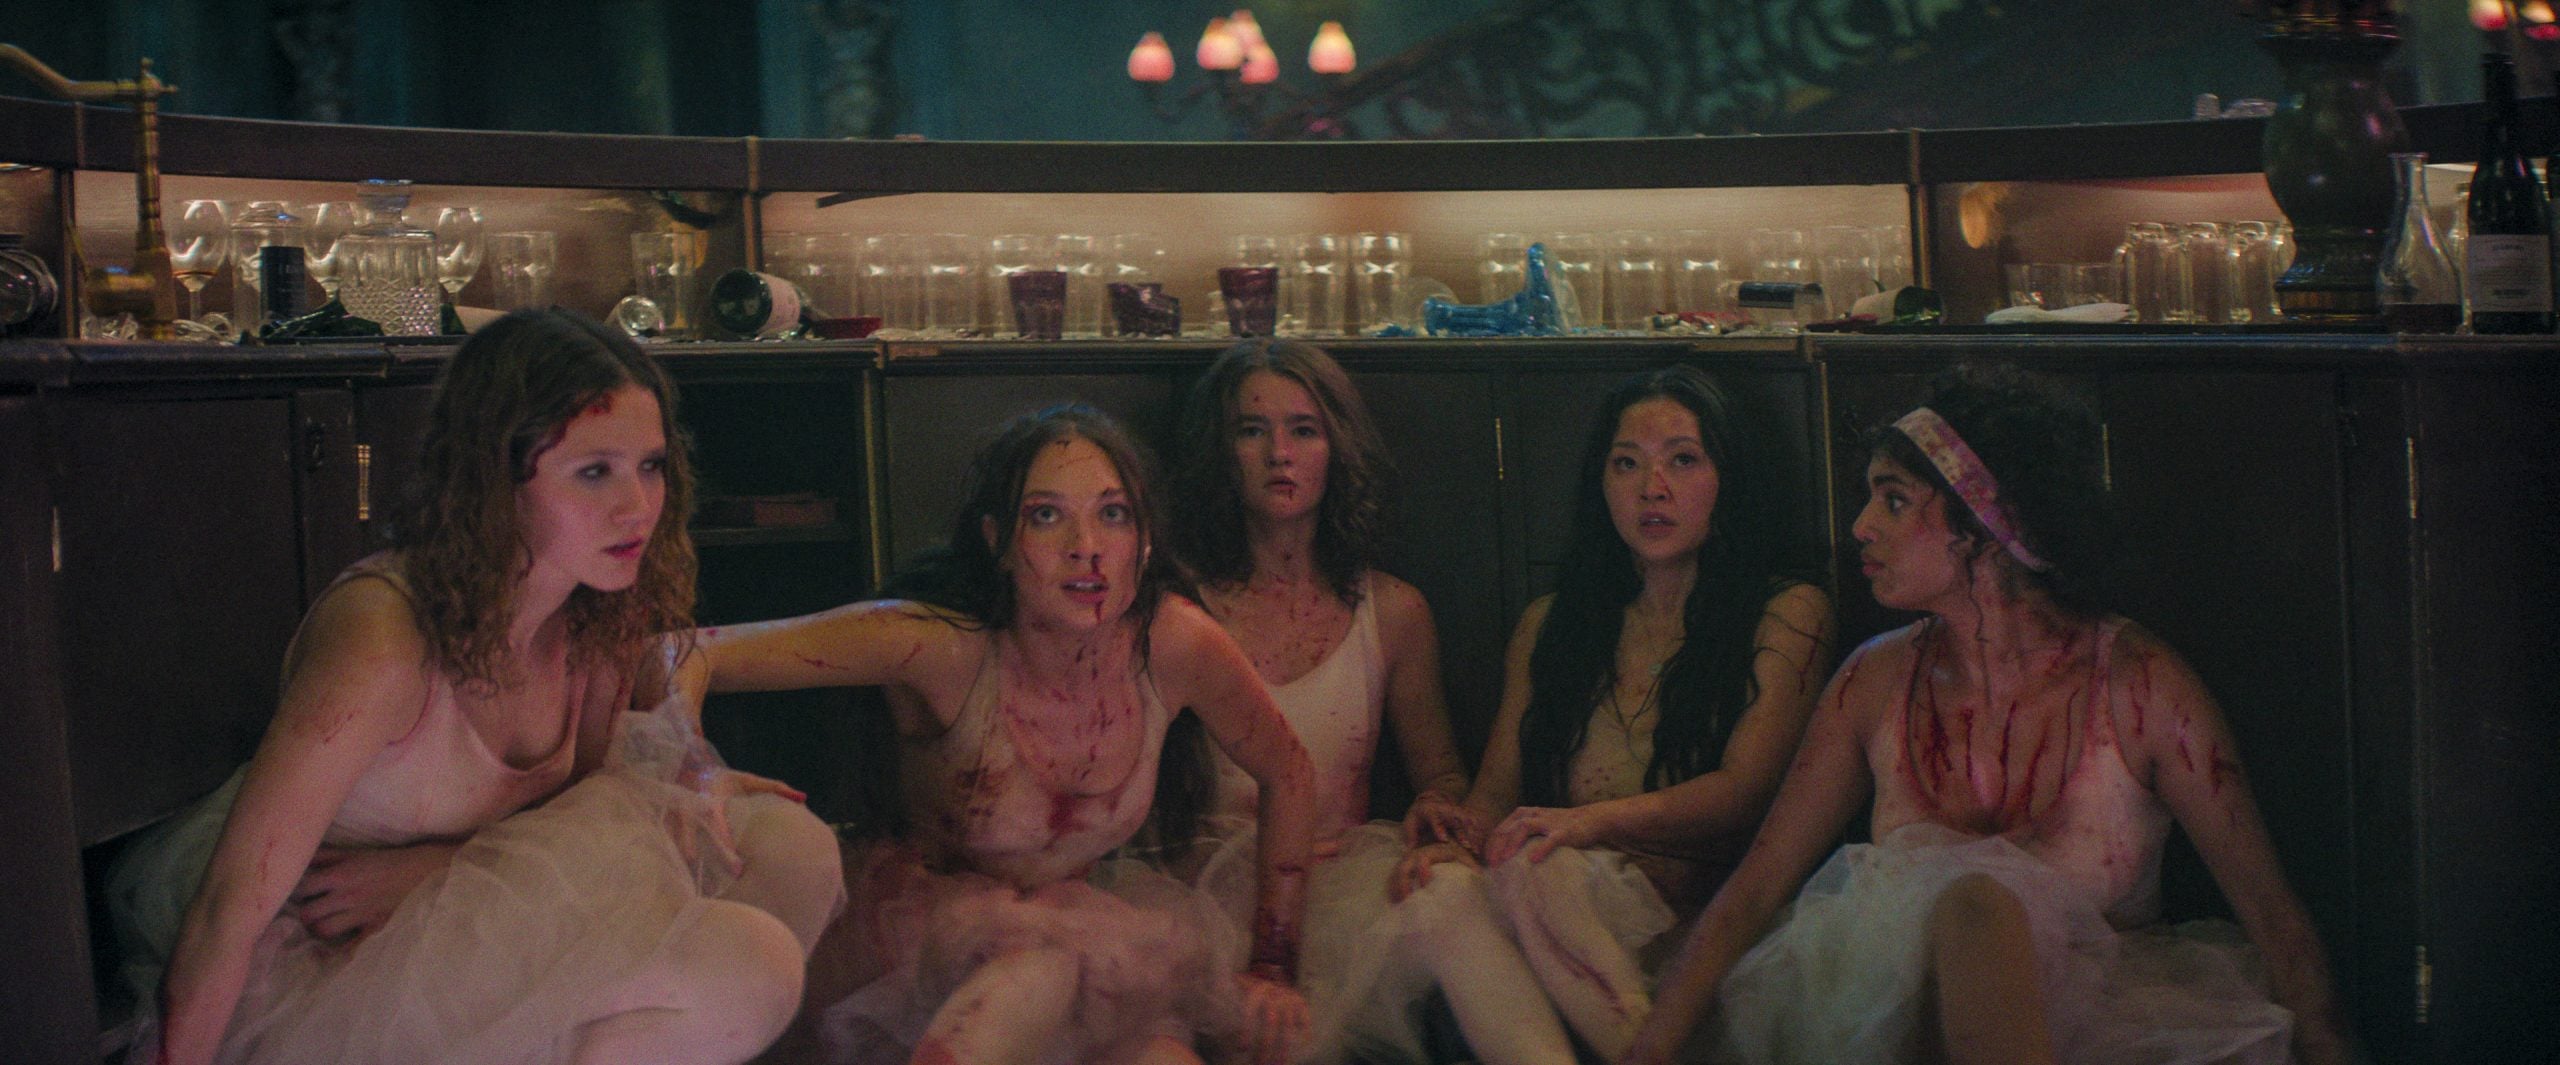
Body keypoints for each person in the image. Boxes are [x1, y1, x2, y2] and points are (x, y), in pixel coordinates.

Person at [108, 308, 845, 1065]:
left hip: (456, 897)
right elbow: (226, 913)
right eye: (595, 470)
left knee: (796, 849)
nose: (638, 507)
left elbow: (583, 810)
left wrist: (437, 872)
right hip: (324, 951)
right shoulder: (384, 637)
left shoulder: (599, 606)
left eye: (650, 465)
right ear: (497, 477)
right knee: (745, 963)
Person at [1624, 364, 2357, 1065]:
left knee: (1980, 905)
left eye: (1895, 499)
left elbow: (2270, 911)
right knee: (1971, 903)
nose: (1860, 526)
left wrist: (2331, 1048)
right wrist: (1656, 1044)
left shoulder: (2140, 685)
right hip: (1899, 1029)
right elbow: (1758, 885)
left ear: (1986, 520)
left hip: (2100, 1025)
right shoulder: (1874, 681)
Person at [693, 403, 1319, 1065]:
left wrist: (1273, 963)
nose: (1086, 545)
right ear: (996, 539)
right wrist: (694, 769)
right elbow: (689, 654)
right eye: (1047, 515)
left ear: (1144, 539)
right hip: (914, 947)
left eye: (1113, 513)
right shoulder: (935, 648)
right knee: (1032, 974)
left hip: (1093, 936)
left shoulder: (1175, 642)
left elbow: (1291, 772)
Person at [1393, 364, 1834, 1063]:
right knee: (1441, 892)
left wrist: (1586, 822)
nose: (1651, 489)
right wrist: (1450, 833)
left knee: (1543, 869)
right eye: (1626, 463)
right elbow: (1495, 796)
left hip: (1699, 917)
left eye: (1682, 461)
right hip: (1556, 910)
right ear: (1600, 485)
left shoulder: (1785, 611)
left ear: (1728, 476)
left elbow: (1745, 790)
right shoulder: (1552, 624)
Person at [1146, 339, 1503, 1064]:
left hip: (1343, 885)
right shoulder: (1175, 609)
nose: (1279, 451)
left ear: (1335, 448)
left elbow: (1443, 775)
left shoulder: (1393, 610)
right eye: (1253, 430)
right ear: (1223, 451)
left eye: (1303, 429)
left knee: (1454, 902)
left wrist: (1436, 812)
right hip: (1200, 887)